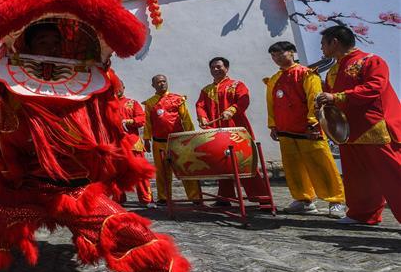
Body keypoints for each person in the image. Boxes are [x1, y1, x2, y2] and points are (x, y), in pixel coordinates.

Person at [316, 26, 401, 225]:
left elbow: (374, 87)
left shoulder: (371, 61)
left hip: (375, 126)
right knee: (357, 177)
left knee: (393, 175)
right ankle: (362, 213)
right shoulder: (333, 70)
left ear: (334, 42)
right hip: (348, 129)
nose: (322, 48)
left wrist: (336, 97)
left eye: (323, 43)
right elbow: (331, 97)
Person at [265, 41, 345, 217]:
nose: (277, 58)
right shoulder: (274, 79)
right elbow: (271, 104)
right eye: (273, 55)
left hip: (308, 130)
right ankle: (304, 200)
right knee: (293, 167)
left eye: (280, 53)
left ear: (291, 52)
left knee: (321, 164)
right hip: (285, 129)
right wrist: (273, 125)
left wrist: (313, 123)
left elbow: (314, 100)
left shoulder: (307, 74)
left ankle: (336, 200)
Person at [195, 57, 268, 205]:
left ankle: (262, 198)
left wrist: (232, 110)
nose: (216, 70)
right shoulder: (206, 90)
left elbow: (243, 100)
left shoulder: (237, 85)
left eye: (219, 67)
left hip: (236, 132)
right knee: (222, 164)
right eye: (213, 68)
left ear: (226, 68)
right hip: (217, 132)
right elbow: (200, 105)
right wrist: (202, 118)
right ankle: (224, 197)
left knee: (246, 164)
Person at [142, 74, 202, 205]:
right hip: (159, 142)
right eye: (158, 82)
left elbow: (186, 118)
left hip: (178, 142)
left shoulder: (177, 99)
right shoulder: (150, 103)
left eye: (164, 81)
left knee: (186, 169)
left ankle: (195, 196)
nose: (162, 84)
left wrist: (190, 136)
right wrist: (146, 139)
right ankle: (164, 197)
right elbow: (148, 122)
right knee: (162, 171)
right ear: (153, 85)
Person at [117, 87, 153, 207]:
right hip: (115, 144)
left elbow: (142, 119)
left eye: (118, 87)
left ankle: (146, 199)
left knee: (140, 173)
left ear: (123, 88)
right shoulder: (106, 104)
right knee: (116, 173)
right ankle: (118, 200)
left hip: (133, 144)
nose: (116, 89)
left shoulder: (132, 103)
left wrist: (129, 121)